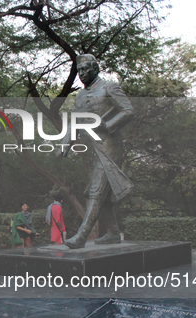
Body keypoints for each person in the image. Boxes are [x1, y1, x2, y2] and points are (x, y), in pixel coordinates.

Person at [62, 54, 134, 249]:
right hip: (93, 148)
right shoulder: (81, 96)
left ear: (96, 68)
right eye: (80, 71)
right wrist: (66, 143)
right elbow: (75, 120)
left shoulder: (109, 87)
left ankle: (81, 236)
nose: (82, 73)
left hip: (110, 145)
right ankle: (112, 233)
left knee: (96, 190)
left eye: (86, 69)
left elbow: (128, 111)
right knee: (103, 191)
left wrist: (107, 125)